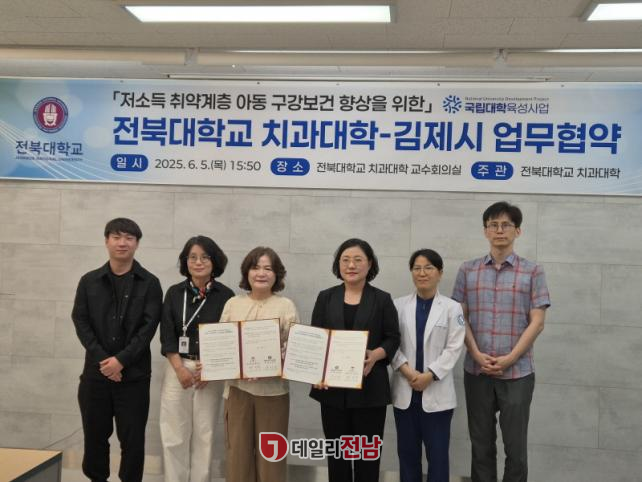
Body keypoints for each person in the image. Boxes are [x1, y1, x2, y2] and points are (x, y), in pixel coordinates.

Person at [452, 201, 551, 482]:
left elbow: (537, 322)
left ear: (518, 231)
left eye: (506, 224)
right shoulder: (468, 270)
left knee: (516, 448)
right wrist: (475, 353)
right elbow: (459, 318)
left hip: (518, 373)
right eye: (493, 225)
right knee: (481, 445)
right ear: (485, 231)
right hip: (477, 371)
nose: (499, 230)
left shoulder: (533, 271)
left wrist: (510, 358)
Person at [71, 217, 163, 482]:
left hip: (133, 377)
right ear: (106, 241)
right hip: (95, 375)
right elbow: (80, 321)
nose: (122, 243)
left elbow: (148, 328)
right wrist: (105, 361)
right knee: (95, 436)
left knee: (132, 440)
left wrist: (121, 361)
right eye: (116, 237)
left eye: (129, 238)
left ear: (137, 244)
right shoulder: (89, 281)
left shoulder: (150, 283)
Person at [309, 238, 400, 482]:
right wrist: (316, 373)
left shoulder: (382, 299)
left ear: (369, 264)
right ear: (338, 264)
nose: (351, 265)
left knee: (366, 458)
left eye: (358, 260)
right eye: (346, 260)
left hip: (370, 390)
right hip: (332, 390)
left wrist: (376, 354)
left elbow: (393, 338)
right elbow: (315, 340)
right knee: (337, 456)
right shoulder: (326, 297)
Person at [159, 235, 234, 482]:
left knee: (205, 433)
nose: (198, 262)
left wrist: (211, 369)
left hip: (209, 370)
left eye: (205, 257)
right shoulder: (174, 293)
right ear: (185, 261)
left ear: (215, 262)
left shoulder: (226, 295)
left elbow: (229, 337)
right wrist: (179, 368)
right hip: (177, 367)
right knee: (174, 431)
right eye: (192, 257)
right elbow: (167, 334)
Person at [221, 246, 299, 482]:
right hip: (238, 390)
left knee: (271, 458)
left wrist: (275, 363)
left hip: (273, 392)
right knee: (238, 457)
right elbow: (222, 344)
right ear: (247, 272)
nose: (261, 273)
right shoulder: (233, 304)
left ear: (277, 274)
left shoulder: (285, 306)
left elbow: (294, 349)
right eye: (256, 267)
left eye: (268, 268)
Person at [391, 249, 465, 482]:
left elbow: (454, 347)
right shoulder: (398, 305)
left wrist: (430, 375)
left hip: (437, 394)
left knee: (438, 457)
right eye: (417, 268)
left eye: (428, 268)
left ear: (440, 273)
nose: (422, 273)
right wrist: (406, 370)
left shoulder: (452, 308)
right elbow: (391, 343)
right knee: (407, 455)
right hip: (405, 393)